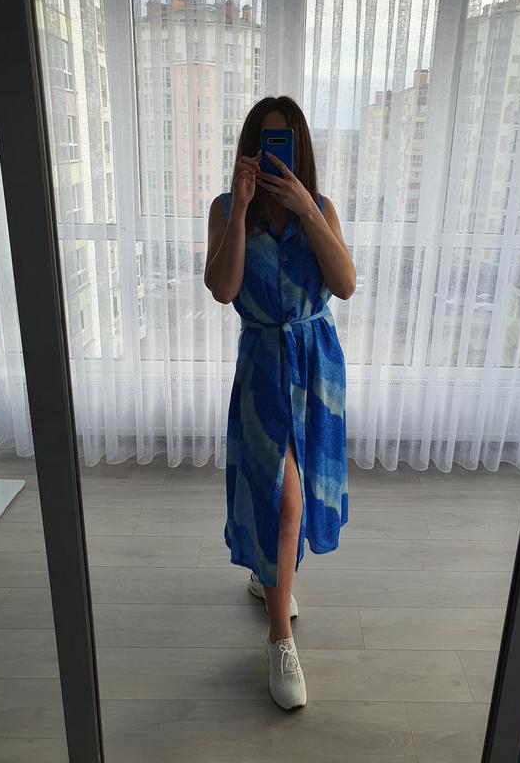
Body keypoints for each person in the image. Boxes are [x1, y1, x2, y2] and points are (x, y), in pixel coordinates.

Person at [204, 95, 355, 710]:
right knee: (280, 493)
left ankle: (272, 576)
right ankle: (279, 638)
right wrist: (242, 209)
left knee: (298, 487)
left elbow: (344, 284)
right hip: (265, 365)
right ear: (250, 148)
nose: (275, 153)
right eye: (266, 141)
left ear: (300, 149)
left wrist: (306, 209)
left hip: (316, 367)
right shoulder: (225, 208)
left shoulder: (320, 208)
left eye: (284, 141)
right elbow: (223, 289)